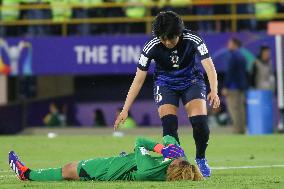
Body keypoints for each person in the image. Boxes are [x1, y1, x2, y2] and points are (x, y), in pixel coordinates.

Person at [114, 11, 220, 178]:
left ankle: (200, 158)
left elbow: (209, 67)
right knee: (169, 126)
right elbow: (138, 79)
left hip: (191, 81)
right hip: (165, 84)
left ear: (179, 33)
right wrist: (125, 109)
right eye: (163, 39)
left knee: (200, 124)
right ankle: (177, 162)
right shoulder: (151, 46)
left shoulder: (193, 39)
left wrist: (213, 90)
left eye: (171, 38)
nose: (167, 42)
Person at [9, 136, 203, 182]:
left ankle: (26, 174)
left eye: (175, 160)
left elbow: (140, 142)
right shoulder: (176, 166)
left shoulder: (149, 172)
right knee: (70, 168)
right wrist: (172, 148)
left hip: (108, 171)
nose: (174, 159)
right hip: (121, 162)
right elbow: (171, 137)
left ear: (173, 169)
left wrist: (161, 149)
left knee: (69, 169)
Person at [222, 38, 248, 134]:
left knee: (233, 109)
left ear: (235, 44)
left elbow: (230, 73)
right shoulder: (242, 56)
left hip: (233, 87)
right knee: (241, 109)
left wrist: (226, 86)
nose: (228, 45)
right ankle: (242, 129)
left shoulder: (233, 57)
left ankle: (237, 130)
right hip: (241, 87)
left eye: (230, 43)